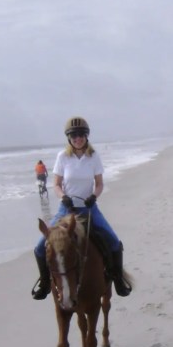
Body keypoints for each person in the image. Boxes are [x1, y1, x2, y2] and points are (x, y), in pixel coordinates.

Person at [31, 116, 132, 300]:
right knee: (39, 247)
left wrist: (94, 196)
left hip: (88, 208)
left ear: (87, 136)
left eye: (81, 135)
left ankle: (118, 281)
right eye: (74, 135)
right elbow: (56, 184)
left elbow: (99, 183)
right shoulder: (62, 157)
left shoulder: (94, 157)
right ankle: (45, 283)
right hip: (66, 210)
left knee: (114, 242)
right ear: (69, 138)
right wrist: (64, 197)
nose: (78, 138)